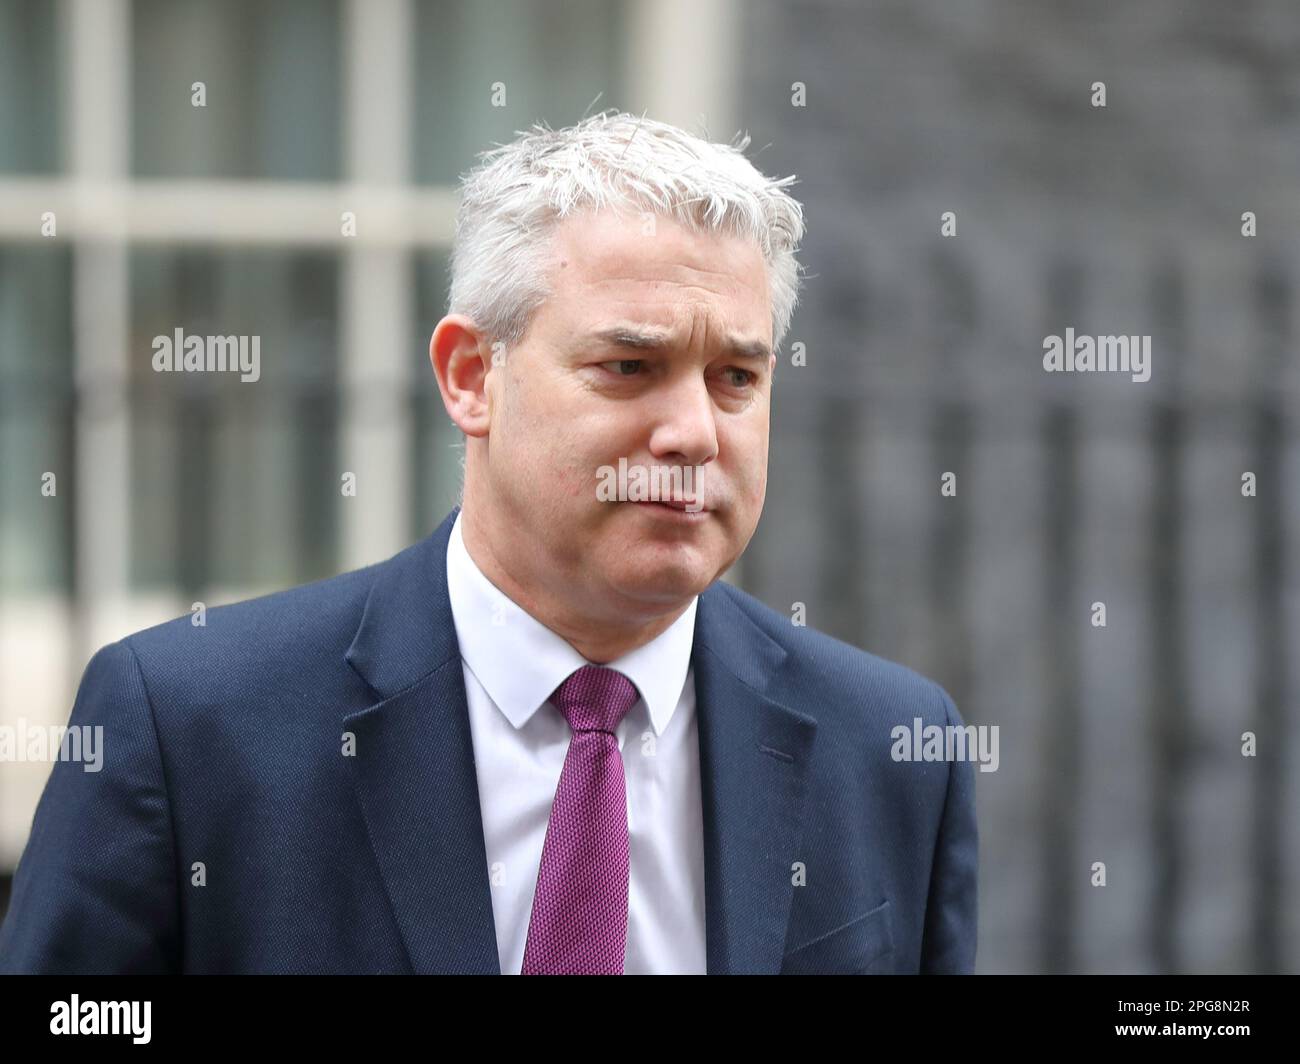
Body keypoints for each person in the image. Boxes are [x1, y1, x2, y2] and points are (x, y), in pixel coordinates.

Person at [0, 111, 976, 974]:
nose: (693, 430)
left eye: (734, 377)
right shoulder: (191, 724)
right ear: (471, 374)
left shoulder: (891, 744)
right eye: (628, 364)